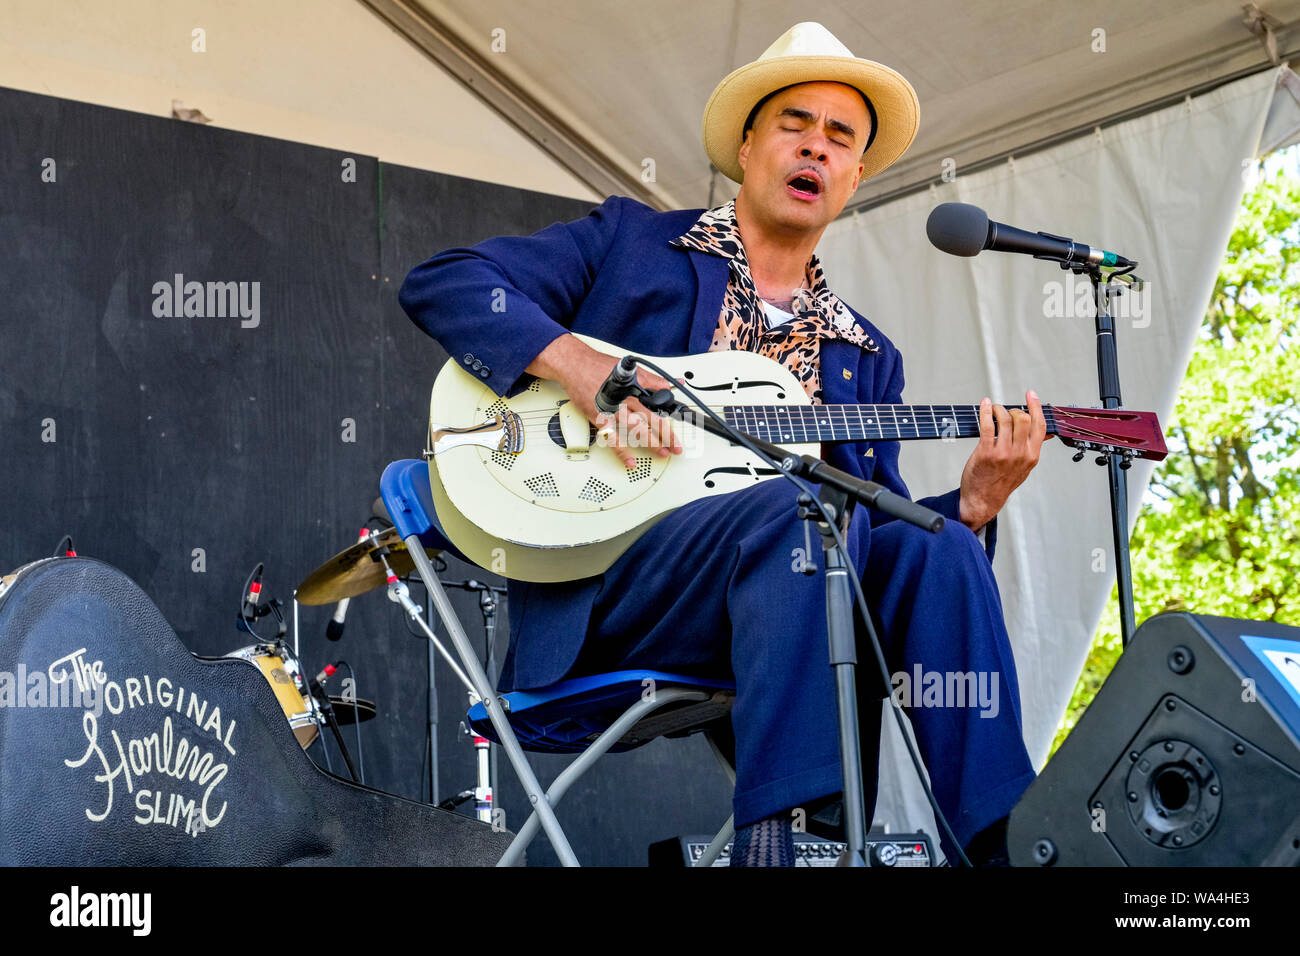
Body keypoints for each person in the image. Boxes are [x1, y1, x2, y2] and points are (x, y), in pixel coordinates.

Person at [399, 22, 1046, 866]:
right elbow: (446, 283)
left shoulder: (864, 354)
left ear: (853, 178)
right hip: (619, 588)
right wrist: (581, 366)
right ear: (747, 146)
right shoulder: (634, 248)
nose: (815, 148)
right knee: (797, 509)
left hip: (787, 607)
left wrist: (971, 506)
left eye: (840, 138)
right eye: (794, 125)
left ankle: (1010, 847)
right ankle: (781, 842)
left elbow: (875, 533)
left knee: (942, 551)